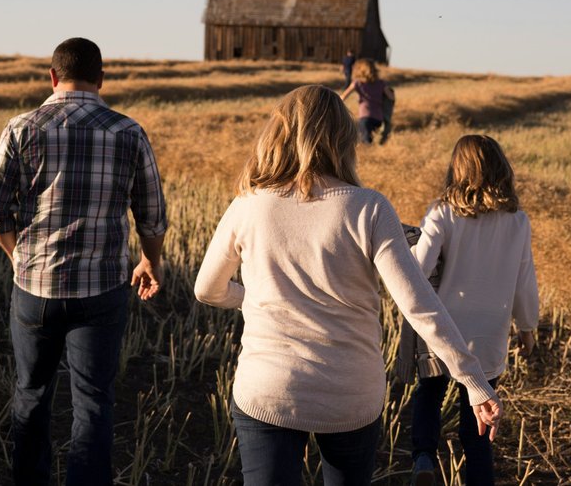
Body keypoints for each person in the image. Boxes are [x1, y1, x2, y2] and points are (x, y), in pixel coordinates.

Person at [194, 86, 502, 486]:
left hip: (268, 390)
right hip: (350, 395)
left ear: (278, 133)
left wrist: (257, 298)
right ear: (344, 136)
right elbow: (418, 304)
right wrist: (474, 382)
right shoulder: (369, 207)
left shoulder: (248, 204)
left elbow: (207, 289)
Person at [0, 37, 167, 485]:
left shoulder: (21, 128)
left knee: (30, 394)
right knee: (94, 400)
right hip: (102, 291)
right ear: (101, 80)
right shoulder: (128, 132)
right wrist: (149, 262)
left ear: (52, 77)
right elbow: (152, 216)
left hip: (35, 289)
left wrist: (17, 257)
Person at [399, 134, 539, 486]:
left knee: (429, 394)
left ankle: (424, 459)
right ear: (501, 168)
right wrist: (526, 325)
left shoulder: (443, 212)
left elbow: (418, 267)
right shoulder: (517, 220)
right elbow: (525, 278)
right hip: (490, 332)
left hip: (444, 327)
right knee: (477, 423)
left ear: (456, 170)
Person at [341, 59, 396, 145]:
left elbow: (343, 97)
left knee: (365, 144)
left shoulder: (357, 83)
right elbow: (391, 97)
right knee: (375, 142)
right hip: (378, 118)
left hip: (365, 117)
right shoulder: (381, 83)